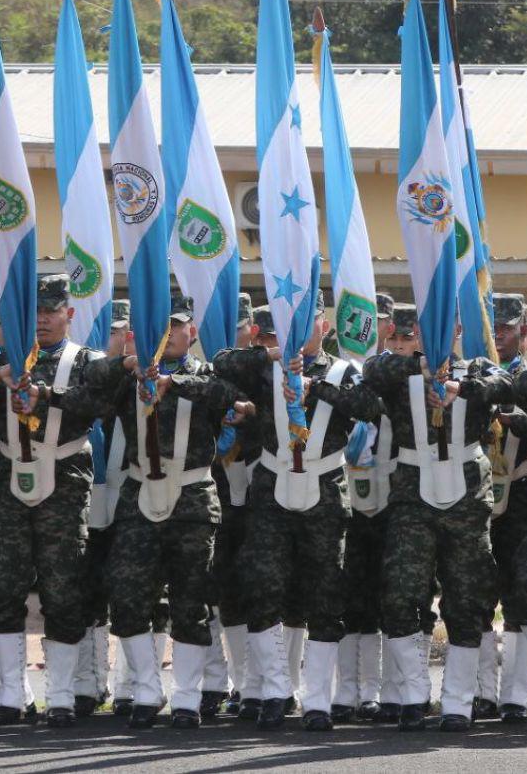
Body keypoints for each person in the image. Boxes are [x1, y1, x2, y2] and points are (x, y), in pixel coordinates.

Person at [45, 293, 251, 729]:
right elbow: (87, 386)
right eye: (158, 326)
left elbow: (228, 395)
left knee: (190, 600)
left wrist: (173, 382)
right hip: (139, 494)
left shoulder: (205, 374)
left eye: (175, 326)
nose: (167, 334)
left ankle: (187, 696)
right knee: (127, 595)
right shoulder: (129, 375)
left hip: (192, 496)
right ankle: (146, 688)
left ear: (191, 331)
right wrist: (127, 364)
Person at [213, 291, 382, 731]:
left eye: (310, 323)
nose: (302, 332)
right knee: (262, 586)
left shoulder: (344, 371)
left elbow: (370, 407)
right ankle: (274, 690)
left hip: (324, 490)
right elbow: (221, 364)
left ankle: (317, 699)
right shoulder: (266, 366)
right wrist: (272, 356)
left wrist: (317, 387)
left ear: (323, 325)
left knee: (325, 596)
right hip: (271, 488)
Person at [0, 275, 111, 728]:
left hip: (63, 481)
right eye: (34, 312)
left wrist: (45, 396)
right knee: (2, 585)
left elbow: (98, 402)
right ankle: (10, 693)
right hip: (9, 480)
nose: (42, 319)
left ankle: (61, 694)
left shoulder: (86, 360)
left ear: (69, 314)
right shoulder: (5, 356)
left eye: (50, 311)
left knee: (63, 587)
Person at [361, 305, 509, 733]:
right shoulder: (400, 369)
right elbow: (372, 371)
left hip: (466, 497)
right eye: (422, 329)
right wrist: (420, 368)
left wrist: (461, 387)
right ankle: (413, 694)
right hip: (412, 495)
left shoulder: (477, 369)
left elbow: (507, 384)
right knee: (399, 594)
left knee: (467, 600)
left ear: (458, 328)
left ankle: (458, 700)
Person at [332, 292, 395, 724]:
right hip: (344, 493)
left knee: (382, 596)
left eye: (380, 321)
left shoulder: (395, 374)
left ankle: (374, 689)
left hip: (388, 495)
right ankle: (345, 689)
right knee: (344, 593)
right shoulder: (338, 374)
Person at [482, 294, 527, 722]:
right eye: (493, 329)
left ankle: (517, 694)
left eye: (505, 329)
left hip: (521, 491)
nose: (498, 336)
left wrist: (518, 420)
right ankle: (482, 691)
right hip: (474, 494)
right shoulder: (472, 374)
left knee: (520, 594)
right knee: (475, 594)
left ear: (523, 332)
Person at [70, 299, 132, 718]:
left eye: (116, 331)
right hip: (85, 491)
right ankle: (88, 682)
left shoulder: (133, 380)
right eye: (106, 331)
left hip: (129, 492)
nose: (108, 338)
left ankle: (130, 684)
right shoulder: (82, 380)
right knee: (83, 587)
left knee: (132, 592)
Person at [209, 293, 263, 718]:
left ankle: (266, 683)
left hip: (264, 491)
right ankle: (238, 683)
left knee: (261, 588)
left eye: (242, 328)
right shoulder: (213, 372)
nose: (235, 336)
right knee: (223, 588)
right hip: (223, 492)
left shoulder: (265, 373)